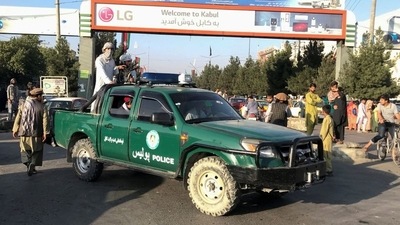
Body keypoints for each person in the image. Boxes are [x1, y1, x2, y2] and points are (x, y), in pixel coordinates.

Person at [12, 88, 48, 176]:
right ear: (38, 96)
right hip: (36, 133)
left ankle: (28, 163)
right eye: (41, 96)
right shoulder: (42, 106)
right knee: (37, 150)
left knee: (24, 150)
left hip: (23, 133)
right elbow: (45, 120)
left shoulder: (23, 104)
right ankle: (32, 164)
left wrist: (15, 129)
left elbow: (18, 117)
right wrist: (45, 132)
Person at [91, 42, 125, 112]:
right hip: (101, 87)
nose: (110, 51)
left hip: (109, 88)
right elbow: (101, 72)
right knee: (97, 105)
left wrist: (118, 68)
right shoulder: (99, 60)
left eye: (111, 49)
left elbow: (113, 71)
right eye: (108, 49)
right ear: (104, 49)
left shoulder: (112, 61)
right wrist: (109, 82)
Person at [320, 104, 334, 176]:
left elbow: (324, 131)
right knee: (327, 155)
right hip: (329, 138)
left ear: (323, 111)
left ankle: (328, 169)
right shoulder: (330, 118)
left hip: (326, 139)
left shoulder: (326, 119)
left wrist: (320, 139)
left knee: (326, 155)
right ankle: (328, 168)